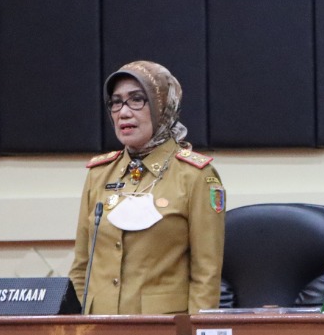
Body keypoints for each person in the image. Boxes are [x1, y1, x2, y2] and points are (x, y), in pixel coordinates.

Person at [69, 61, 226, 314]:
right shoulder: (98, 174)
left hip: (161, 331)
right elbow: (81, 268)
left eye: (137, 100)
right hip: (99, 328)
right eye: (116, 102)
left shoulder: (195, 176)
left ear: (162, 106)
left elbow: (206, 274)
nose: (124, 112)